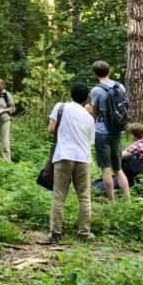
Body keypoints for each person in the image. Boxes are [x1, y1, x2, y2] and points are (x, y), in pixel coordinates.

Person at [47, 82, 95, 243]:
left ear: (71, 94)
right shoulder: (89, 117)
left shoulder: (61, 107)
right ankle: (84, 233)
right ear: (86, 98)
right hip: (83, 158)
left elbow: (51, 128)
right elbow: (90, 141)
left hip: (63, 155)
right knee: (84, 196)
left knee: (59, 195)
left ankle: (55, 233)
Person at [87, 60, 130, 201]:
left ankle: (111, 201)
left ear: (94, 73)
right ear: (109, 71)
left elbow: (94, 113)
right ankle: (127, 199)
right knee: (118, 169)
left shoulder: (96, 90)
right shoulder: (120, 86)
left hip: (102, 132)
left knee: (106, 168)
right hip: (118, 130)